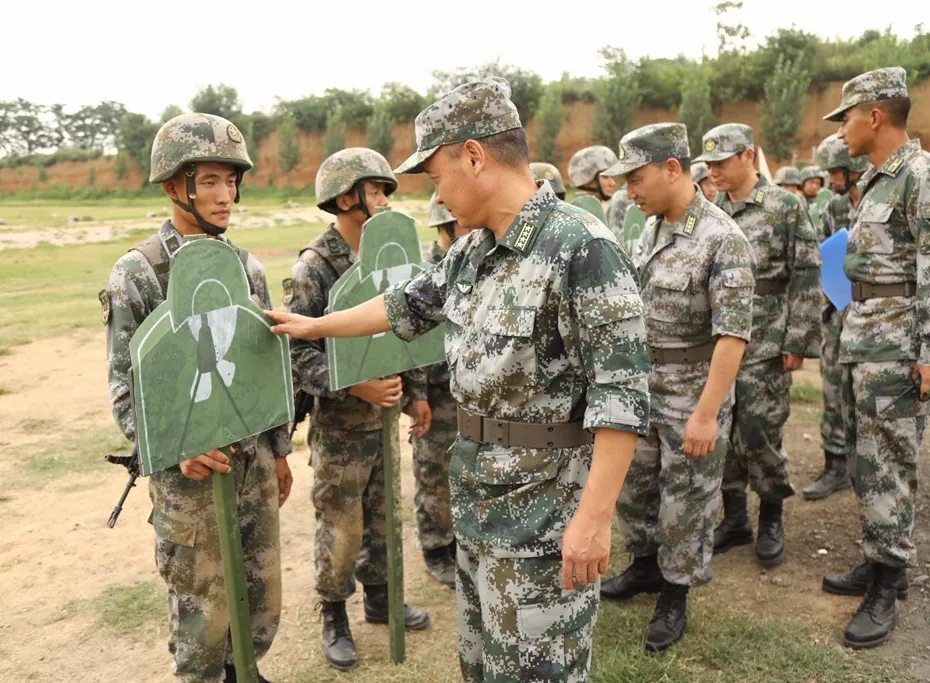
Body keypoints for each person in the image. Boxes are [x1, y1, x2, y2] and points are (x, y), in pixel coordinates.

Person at [267, 77, 651, 682]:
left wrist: (595, 519)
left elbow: (622, 395)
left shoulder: (582, 248)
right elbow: (400, 307)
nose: (436, 193)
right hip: (478, 509)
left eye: (436, 174)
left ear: (474, 155)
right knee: (481, 670)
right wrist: (313, 326)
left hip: (545, 523)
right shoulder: (472, 252)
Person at [102, 113, 290, 683]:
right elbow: (123, 386)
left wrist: (279, 449)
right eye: (208, 180)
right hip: (189, 476)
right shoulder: (138, 273)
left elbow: (264, 361)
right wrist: (176, 447)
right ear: (172, 186)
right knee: (201, 619)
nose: (225, 194)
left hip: (252, 460)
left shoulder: (245, 266)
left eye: (230, 180)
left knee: (260, 603)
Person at [820, 66, 930, 649]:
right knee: (869, 462)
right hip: (868, 341)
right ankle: (878, 563)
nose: (841, 131)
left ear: (874, 115)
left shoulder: (925, 177)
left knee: (890, 466)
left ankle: (888, 581)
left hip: (902, 349)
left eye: (846, 118)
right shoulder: (879, 178)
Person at [598, 123, 754, 651]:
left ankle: (675, 592)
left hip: (692, 390)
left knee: (685, 499)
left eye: (636, 177)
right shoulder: (653, 229)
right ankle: (644, 565)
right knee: (635, 487)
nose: (628, 190)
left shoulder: (722, 238)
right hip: (644, 384)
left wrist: (707, 413)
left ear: (671, 169)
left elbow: (732, 337)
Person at [283, 147, 430, 671]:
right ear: (346, 198)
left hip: (385, 418)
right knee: (341, 524)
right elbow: (297, 351)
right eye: (375, 190)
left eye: (387, 190)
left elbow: (406, 327)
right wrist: (352, 386)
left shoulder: (385, 256)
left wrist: (417, 392)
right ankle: (334, 613)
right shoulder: (313, 268)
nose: (385, 199)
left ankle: (381, 598)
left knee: (385, 514)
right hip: (341, 425)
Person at [695, 123, 821, 567]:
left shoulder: (784, 206)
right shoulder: (710, 209)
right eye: (708, 164)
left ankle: (771, 514)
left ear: (748, 157)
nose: (713, 172)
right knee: (722, 431)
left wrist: (800, 339)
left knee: (760, 431)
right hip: (719, 343)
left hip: (766, 341)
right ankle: (735, 517)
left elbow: (806, 271)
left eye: (722, 163)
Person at [408, 193, 473, 589]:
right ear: (446, 228)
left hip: (463, 389)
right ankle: (435, 547)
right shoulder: (427, 270)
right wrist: (415, 395)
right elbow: (410, 343)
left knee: (462, 469)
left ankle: (458, 542)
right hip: (432, 391)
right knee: (432, 470)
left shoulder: (474, 262)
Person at [801, 134, 869, 501]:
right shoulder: (834, 209)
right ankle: (835, 466)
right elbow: (822, 255)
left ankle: (867, 468)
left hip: (874, 318)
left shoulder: (877, 202)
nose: (830, 178)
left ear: (854, 168)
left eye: (835, 171)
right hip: (836, 312)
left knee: (867, 395)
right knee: (832, 391)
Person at [568, 144, 630, 239]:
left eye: (612, 177)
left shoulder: (608, 208)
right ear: (587, 179)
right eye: (605, 177)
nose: (612, 183)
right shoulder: (576, 217)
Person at [800, 164, 833, 233]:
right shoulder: (797, 201)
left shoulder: (823, 204)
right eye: (811, 182)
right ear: (802, 183)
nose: (814, 187)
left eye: (818, 183)